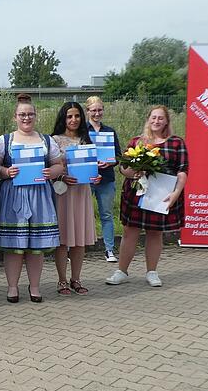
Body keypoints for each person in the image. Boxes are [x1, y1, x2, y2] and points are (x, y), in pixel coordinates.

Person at [0, 94, 63, 303]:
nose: (26, 118)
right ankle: (12, 287)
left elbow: (59, 164)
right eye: (22, 114)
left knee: (36, 247)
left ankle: (34, 287)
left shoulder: (46, 140)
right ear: (15, 117)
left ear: (36, 116)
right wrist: (6, 171)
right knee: (15, 245)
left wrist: (53, 172)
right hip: (14, 195)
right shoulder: (4, 140)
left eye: (30, 114)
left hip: (39, 196)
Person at [106, 106, 188, 287]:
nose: (156, 121)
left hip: (161, 195)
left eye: (160, 118)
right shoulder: (137, 142)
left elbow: (182, 171)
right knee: (129, 232)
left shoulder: (176, 143)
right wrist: (132, 172)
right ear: (148, 119)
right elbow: (123, 168)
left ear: (166, 121)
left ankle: (152, 272)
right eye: (153, 117)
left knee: (155, 233)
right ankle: (122, 271)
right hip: (136, 194)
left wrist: (176, 193)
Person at [50, 102, 100, 296]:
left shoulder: (86, 140)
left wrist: (96, 175)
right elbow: (49, 167)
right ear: (63, 118)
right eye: (69, 116)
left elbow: (94, 166)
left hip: (82, 193)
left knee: (79, 238)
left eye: (77, 116)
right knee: (63, 239)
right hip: (63, 193)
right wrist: (61, 176)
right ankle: (62, 280)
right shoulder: (53, 140)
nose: (73, 120)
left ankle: (76, 278)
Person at [85, 96, 122, 263]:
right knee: (83, 215)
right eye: (93, 110)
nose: (97, 113)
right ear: (87, 112)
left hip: (106, 179)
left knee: (106, 215)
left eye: (99, 110)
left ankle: (109, 250)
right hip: (86, 178)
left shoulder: (110, 131)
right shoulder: (82, 131)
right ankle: (76, 250)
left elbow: (119, 156)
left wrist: (110, 161)